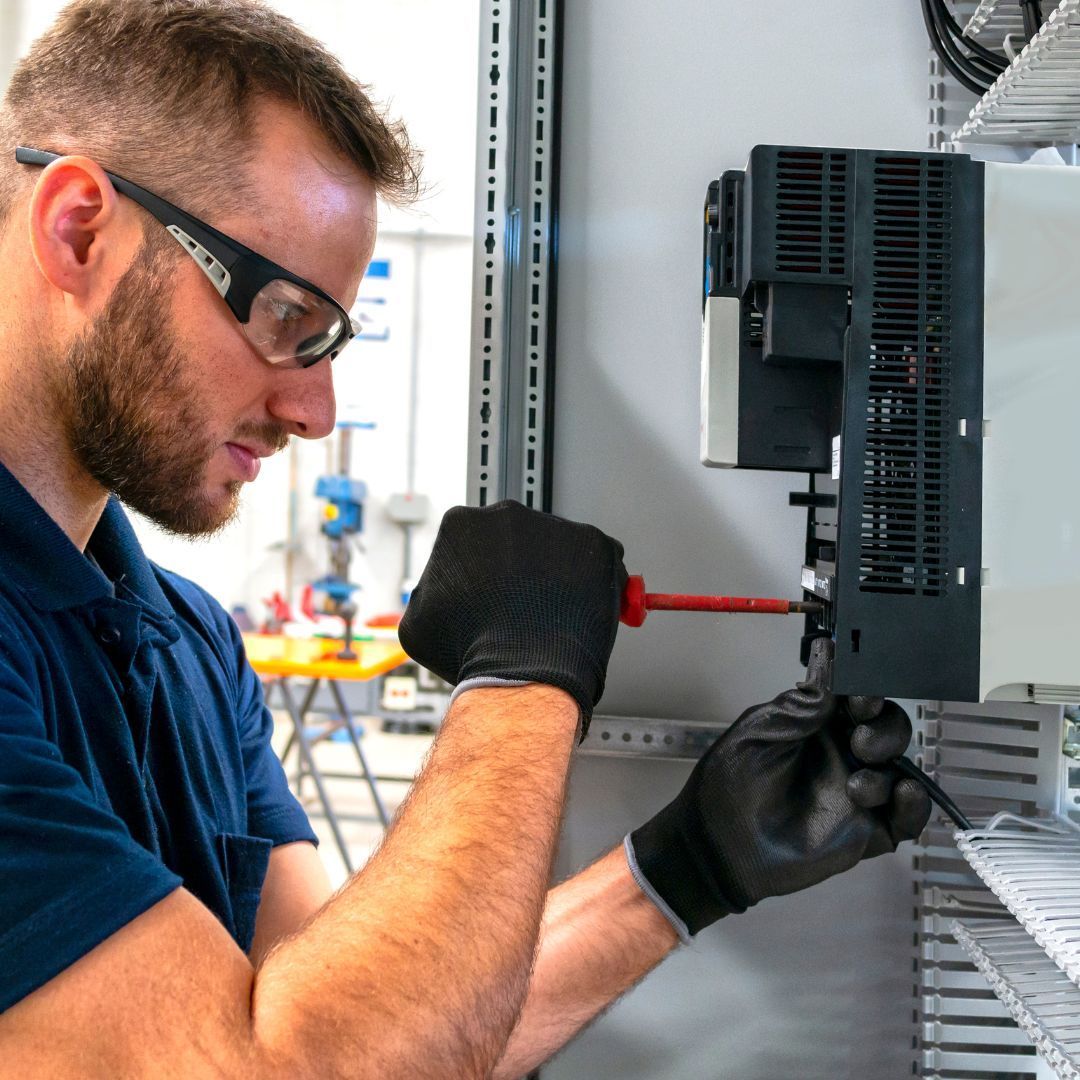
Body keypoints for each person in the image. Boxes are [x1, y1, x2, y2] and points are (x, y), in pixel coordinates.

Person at [0, 1, 931, 1076]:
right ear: (79, 230)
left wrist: (686, 866)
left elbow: (387, 1031)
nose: (315, 412)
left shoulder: (188, 646)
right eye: (284, 320)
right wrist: (521, 682)